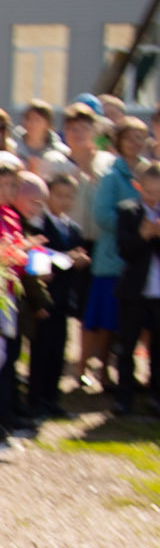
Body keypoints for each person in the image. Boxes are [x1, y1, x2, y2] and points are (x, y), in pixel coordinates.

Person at [86, 121, 152, 392]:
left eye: (140, 138)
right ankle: (102, 371)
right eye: (130, 138)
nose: (135, 143)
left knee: (143, 322)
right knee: (110, 320)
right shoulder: (112, 176)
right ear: (120, 140)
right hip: (114, 257)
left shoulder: (150, 171)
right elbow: (102, 214)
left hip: (145, 259)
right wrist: (135, 227)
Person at [26, 172, 89, 417]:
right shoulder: (39, 225)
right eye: (59, 195)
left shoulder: (72, 228)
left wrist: (78, 260)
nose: (64, 201)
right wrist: (66, 258)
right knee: (41, 350)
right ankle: (35, 399)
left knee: (58, 349)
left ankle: (52, 397)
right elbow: (38, 259)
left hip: (63, 298)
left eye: (69, 196)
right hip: (45, 297)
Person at [111, 158, 160, 415]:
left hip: (158, 291)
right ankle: (124, 397)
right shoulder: (128, 211)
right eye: (149, 191)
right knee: (127, 345)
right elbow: (125, 251)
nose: (153, 197)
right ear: (139, 187)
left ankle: (156, 395)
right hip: (133, 291)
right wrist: (143, 236)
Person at [15, 98, 64, 172]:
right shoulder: (12, 147)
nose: (31, 124)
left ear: (48, 124)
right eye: (28, 119)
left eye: (37, 120)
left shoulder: (61, 152)